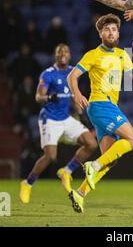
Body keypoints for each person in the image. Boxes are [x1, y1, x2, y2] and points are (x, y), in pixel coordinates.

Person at [67, 14, 133, 213]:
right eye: (106, 29)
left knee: (110, 159)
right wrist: (77, 94)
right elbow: (72, 75)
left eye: (114, 29)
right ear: (100, 33)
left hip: (110, 107)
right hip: (99, 105)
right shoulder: (93, 55)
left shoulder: (122, 55)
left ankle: (79, 194)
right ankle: (93, 165)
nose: (111, 32)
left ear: (117, 33)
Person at [19, 44, 98, 204]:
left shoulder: (72, 72)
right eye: (60, 51)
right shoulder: (48, 74)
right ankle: (27, 183)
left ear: (69, 55)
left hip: (65, 117)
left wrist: (81, 116)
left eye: (66, 51)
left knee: (91, 144)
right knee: (50, 156)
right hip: (50, 119)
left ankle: (66, 171)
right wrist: (48, 97)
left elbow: (75, 98)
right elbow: (38, 96)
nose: (63, 54)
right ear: (55, 55)